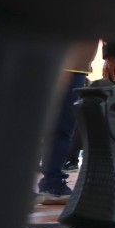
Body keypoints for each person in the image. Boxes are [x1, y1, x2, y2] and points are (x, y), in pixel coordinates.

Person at [36, 42, 96, 204]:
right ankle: (15, 186)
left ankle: (53, 184)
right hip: (38, 56)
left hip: (77, 64)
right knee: (27, 125)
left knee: (64, 128)